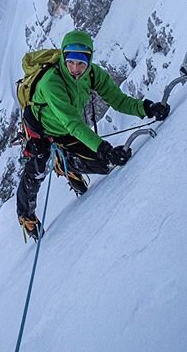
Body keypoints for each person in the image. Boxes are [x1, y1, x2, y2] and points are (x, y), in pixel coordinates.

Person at [17, 29, 169, 240]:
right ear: (63, 57)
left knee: (103, 165)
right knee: (37, 169)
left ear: (89, 61)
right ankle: (26, 216)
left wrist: (147, 108)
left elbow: (118, 100)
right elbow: (73, 124)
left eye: (81, 63)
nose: (75, 69)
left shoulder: (93, 74)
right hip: (40, 129)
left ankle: (65, 163)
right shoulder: (52, 82)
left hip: (67, 128)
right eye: (70, 62)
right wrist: (105, 148)